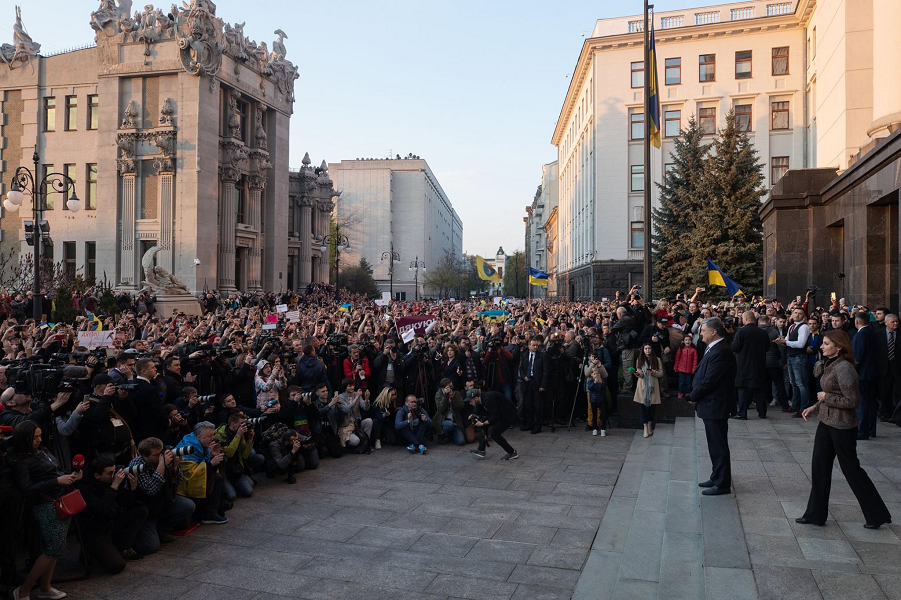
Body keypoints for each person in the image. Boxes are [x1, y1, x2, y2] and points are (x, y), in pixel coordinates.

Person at [797, 330, 893, 529]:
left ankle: (877, 515)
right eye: (822, 343)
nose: (822, 346)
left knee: (851, 470)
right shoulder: (830, 364)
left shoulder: (844, 368)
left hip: (842, 427)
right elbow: (830, 394)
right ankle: (815, 514)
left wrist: (825, 398)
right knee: (819, 468)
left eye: (826, 343)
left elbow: (852, 401)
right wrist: (815, 406)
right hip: (826, 422)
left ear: (838, 347)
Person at [10, 421, 80, 600]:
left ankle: (45, 587)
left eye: (40, 436)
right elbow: (26, 489)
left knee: (55, 548)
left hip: (61, 500)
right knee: (54, 548)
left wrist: (70, 476)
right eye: (35, 437)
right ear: (24, 438)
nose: (39, 440)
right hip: (46, 505)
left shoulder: (43, 451)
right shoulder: (20, 461)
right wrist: (57, 481)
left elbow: (56, 471)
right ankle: (24, 590)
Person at [690, 317, 737, 496]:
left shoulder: (721, 351)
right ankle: (716, 475)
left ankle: (722, 483)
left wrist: (693, 396)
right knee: (714, 444)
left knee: (718, 446)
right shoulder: (715, 348)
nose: (700, 333)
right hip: (711, 405)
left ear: (713, 331)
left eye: (703, 330)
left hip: (716, 405)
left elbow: (710, 380)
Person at [76, 456, 148, 572]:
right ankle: (89, 550)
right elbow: (101, 509)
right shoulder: (84, 487)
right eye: (110, 473)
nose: (114, 475)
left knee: (141, 510)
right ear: (97, 475)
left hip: (111, 522)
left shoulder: (108, 480)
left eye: (114, 471)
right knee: (117, 565)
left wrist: (133, 488)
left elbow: (124, 502)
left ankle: (123, 546)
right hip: (95, 530)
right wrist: (114, 486)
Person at [174, 422, 228, 524]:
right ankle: (208, 513)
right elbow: (190, 475)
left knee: (217, 477)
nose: (213, 438)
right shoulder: (189, 448)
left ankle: (212, 511)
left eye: (213, 435)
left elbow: (203, 465)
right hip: (182, 487)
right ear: (198, 436)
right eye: (209, 436)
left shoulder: (200, 443)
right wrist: (211, 463)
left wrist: (213, 455)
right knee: (216, 477)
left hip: (196, 481)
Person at [732, 310, 771, 420]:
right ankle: (762, 412)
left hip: (743, 365)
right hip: (759, 364)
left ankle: (742, 413)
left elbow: (735, 347)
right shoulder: (763, 333)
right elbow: (767, 347)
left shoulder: (741, 332)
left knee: (743, 389)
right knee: (759, 390)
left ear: (745, 319)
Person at [777, 308, 811, 416]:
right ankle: (795, 405)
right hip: (791, 356)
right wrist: (781, 341)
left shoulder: (804, 327)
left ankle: (803, 408)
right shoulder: (791, 326)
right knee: (794, 383)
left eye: (800, 313)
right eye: (795, 313)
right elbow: (787, 340)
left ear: (804, 316)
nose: (797, 315)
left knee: (801, 383)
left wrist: (785, 341)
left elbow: (800, 344)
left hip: (799, 357)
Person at [466, 388, 518, 460]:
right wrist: (475, 417)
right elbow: (485, 414)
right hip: (500, 414)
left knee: (494, 434)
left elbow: (495, 417)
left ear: (476, 398)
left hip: (509, 415)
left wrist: (483, 424)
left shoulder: (488, 399)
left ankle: (512, 452)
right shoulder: (481, 400)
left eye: (470, 401)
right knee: (483, 423)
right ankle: (481, 450)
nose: (470, 403)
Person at [852, 312, 878, 440]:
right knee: (870, 402)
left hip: (862, 374)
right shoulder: (872, 333)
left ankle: (862, 430)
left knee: (862, 402)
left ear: (857, 322)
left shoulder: (860, 335)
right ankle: (871, 429)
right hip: (871, 374)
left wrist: (851, 371)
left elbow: (857, 356)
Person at [633, 343, 663, 438]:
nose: (647, 350)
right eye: (645, 348)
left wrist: (653, 372)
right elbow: (640, 372)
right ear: (643, 350)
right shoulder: (639, 360)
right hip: (643, 386)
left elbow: (661, 374)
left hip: (653, 385)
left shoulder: (657, 360)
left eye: (649, 348)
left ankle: (650, 424)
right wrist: (638, 374)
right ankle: (645, 427)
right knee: (643, 407)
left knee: (652, 408)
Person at [518, 336, 548, 434]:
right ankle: (529, 424)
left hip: (537, 382)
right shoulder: (525, 355)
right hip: (527, 382)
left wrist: (543, 385)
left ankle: (538, 426)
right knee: (528, 404)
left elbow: (545, 371)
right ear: (529, 346)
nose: (535, 347)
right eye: (533, 345)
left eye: (536, 345)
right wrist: (524, 376)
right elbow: (521, 368)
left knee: (538, 406)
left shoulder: (542, 355)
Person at [876, 314, 901, 423]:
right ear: (886, 323)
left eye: (896, 322)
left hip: (898, 367)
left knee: (898, 391)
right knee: (885, 391)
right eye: (892, 322)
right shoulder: (878, 335)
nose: (895, 324)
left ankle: (897, 415)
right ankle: (885, 413)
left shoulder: (899, 334)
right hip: (883, 367)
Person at [432, 378, 466, 446]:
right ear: (443, 387)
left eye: (451, 386)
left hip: (454, 421)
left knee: (461, 442)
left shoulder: (456, 393)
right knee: (449, 424)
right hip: (443, 420)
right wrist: (445, 397)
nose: (450, 388)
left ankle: (450, 434)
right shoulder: (438, 394)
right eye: (448, 387)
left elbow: (460, 406)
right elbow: (441, 410)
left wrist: (453, 397)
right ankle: (442, 434)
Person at [585, 364, 608, 437]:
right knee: (594, 415)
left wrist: (601, 383)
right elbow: (590, 388)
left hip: (601, 400)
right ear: (592, 375)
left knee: (604, 414)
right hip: (594, 400)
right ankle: (594, 428)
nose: (596, 375)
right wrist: (595, 382)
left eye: (597, 374)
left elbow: (604, 388)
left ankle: (603, 429)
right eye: (594, 374)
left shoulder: (602, 381)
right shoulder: (591, 381)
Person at [674, 333, 698, 399]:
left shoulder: (693, 350)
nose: (688, 341)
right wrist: (676, 367)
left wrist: (694, 369)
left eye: (689, 340)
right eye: (686, 340)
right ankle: (680, 393)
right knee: (681, 382)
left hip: (689, 370)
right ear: (683, 341)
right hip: (681, 369)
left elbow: (695, 361)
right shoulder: (681, 349)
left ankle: (688, 393)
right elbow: (677, 358)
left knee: (689, 382)